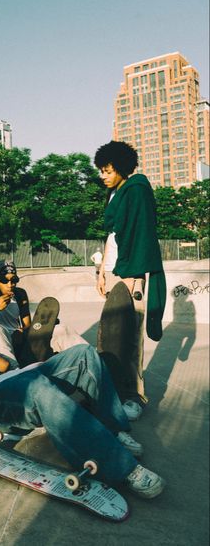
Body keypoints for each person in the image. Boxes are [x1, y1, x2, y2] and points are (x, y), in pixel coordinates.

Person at [0, 337, 165, 499]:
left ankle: (115, 429)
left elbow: (2, 366)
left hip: (18, 379)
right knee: (39, 389)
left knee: (84, 353)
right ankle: (122, 467)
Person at [94, 141, 166, 422]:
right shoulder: (114, 193)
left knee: (131, 337)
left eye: (107, 170)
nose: (103, 175)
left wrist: (133, 274)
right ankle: (111, 390)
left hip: (131, 270)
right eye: (101, 170)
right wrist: (101, 270)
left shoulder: (136, 189)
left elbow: (140, 233)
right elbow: (112, 235)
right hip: (113, 270)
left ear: (122, 168)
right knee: (109, 334)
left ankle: (135, 396)